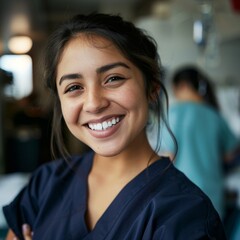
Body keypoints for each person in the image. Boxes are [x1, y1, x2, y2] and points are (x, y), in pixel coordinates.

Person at [3, 13, 227, 240]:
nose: (94, 103)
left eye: (113, 78)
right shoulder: (46, 184)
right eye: (73, 87)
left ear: (152, 89)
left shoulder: (184, 215)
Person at [154, 65, 239, 220]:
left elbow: (168, 157)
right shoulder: (214, 115)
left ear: (183, 86)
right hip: (214, 198)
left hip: (184, 198)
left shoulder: (172, 114)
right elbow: (229, 156)